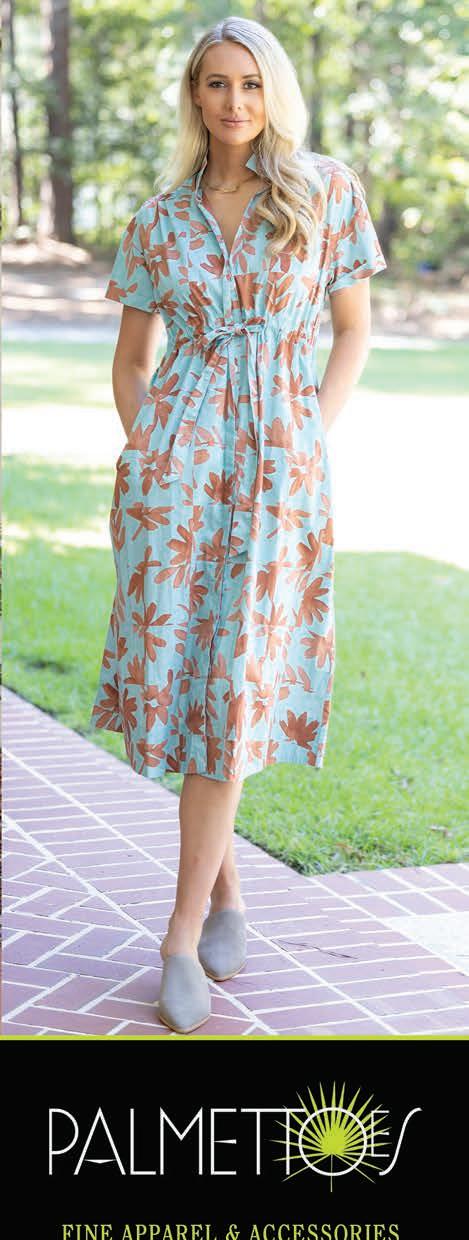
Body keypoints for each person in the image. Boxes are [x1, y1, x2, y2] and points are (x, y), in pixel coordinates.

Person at [90, 14, 387, 1033]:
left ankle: (178, 934)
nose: (233, 102)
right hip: (173, 485)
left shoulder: (323, 191)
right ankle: (223, 897)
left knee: (233, 686)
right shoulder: (159, 219)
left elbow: (351, 331)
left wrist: (308, 435)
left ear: (273, 93)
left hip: (276, 477)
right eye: (216, 83)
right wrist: (150, 455)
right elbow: (132, 361)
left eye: (250, 83)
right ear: (193, 94)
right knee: (192, 686)